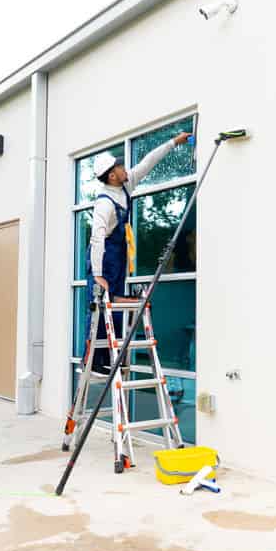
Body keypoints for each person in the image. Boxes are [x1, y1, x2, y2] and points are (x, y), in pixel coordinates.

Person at [86, 130, 192, 373]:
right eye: (120, 167)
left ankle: (110, 357)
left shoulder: (126, 185)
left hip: (117, 254)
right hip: (102, 256)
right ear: (112, 175)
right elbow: (97, 239)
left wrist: (173, 142)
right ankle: (94, 361)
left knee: (113, 305)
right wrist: (98, 274)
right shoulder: (104, 203)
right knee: (100, 305)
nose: (126, 168)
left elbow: (148, 162)